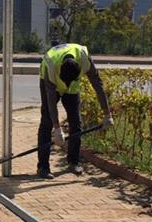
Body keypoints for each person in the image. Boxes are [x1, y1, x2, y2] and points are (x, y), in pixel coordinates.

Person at [38, 42, 113, 178]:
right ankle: (43, 167)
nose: (65, 86)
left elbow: (97, 84)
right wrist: (57, 128)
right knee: (47, 121)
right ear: (60, 69)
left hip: (72, 90)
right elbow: (51, 101)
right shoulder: (50, 63)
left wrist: (107, 114)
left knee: (76, 123)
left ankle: (73, 161)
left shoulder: (84, 57)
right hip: (49, 84)